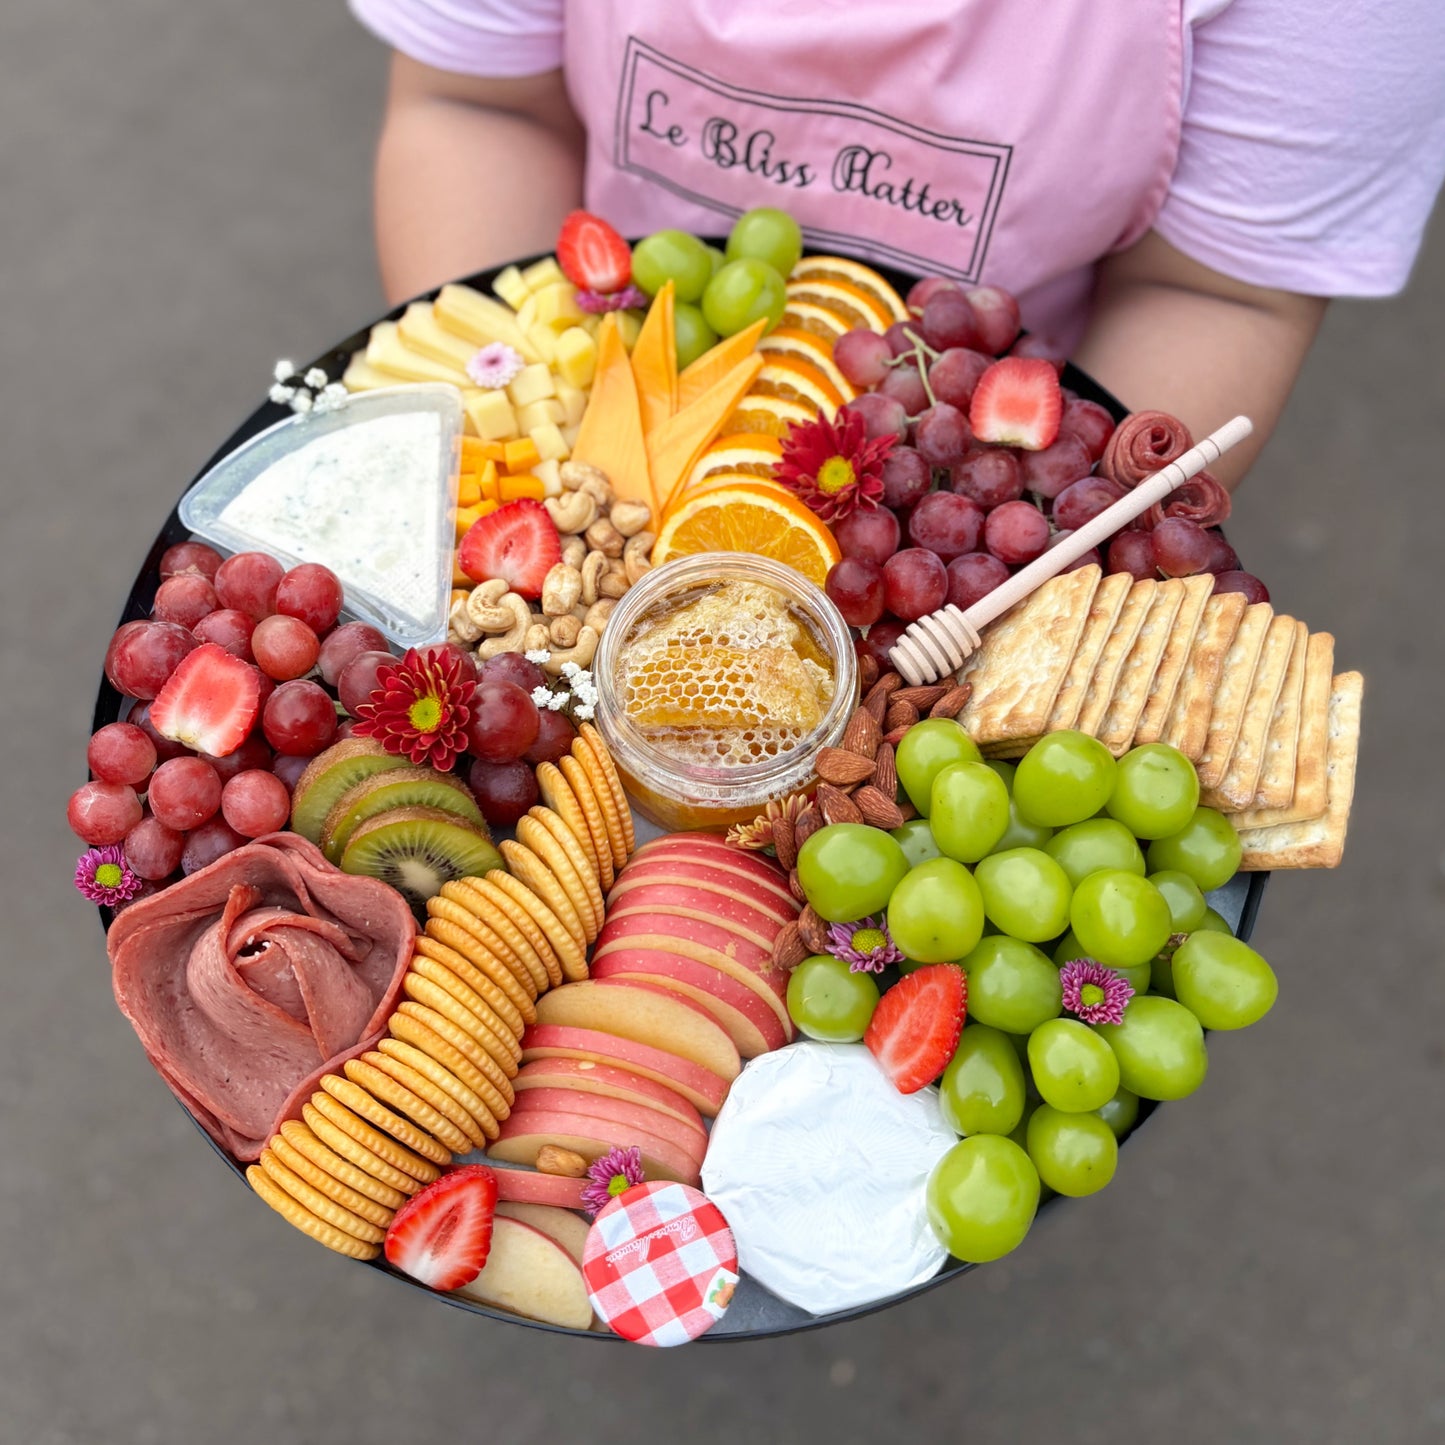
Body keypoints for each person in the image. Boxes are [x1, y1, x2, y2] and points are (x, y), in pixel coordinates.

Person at [349, 0, 1445, 485]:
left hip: (989, 433)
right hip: (604, 379)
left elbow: (1210, 292)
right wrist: (511, 435)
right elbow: (481, 109)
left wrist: (1023, 527)